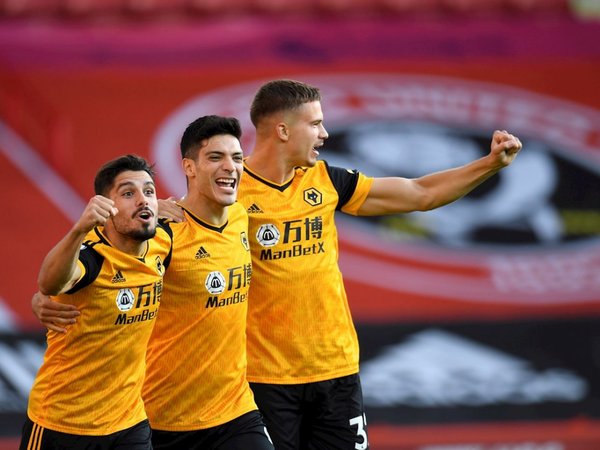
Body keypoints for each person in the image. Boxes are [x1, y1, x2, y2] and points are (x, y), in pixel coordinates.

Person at [240, 79, 522, 450]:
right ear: (282, 130)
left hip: (335, 371)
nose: (324, 134)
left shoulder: (327, 181)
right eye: (315, 124)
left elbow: (421, 194)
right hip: (263, 378)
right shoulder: (229, 193)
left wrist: (488, 165)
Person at [32, 116, 274, 450]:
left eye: (236, 157)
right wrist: (43, 295)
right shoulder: (163, 233)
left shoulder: (239, 218)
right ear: (189, 167)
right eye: (216, 157)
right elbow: (104, 250)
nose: (230, 167)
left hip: (235, 408)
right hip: (166, 414)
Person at [21, 155, 173, 450]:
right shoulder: (92, 255)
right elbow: (50, 283)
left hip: (128, 422)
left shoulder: (163, 241)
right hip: (62, 423)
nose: (143, 200)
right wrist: (78, 229)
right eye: (129, 193)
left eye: (149, 191)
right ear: (106, 207)